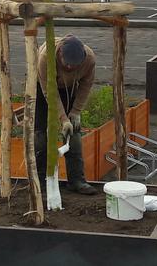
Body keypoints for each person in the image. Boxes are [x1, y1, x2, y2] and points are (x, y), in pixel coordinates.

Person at [36, 34, 98, 195]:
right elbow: (49, 93)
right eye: (67, 64)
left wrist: (75, 112)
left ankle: (77, 181)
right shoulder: (46, 57)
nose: (70, 67)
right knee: (41, 135)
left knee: (74, 133)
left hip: (69, 89)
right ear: (60, 54)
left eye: (74, 65)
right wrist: (63, 119)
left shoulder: (89, 59)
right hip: (44, 89)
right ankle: (41, 181)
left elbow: (85, 85)